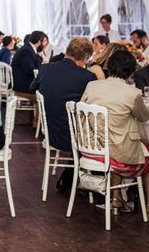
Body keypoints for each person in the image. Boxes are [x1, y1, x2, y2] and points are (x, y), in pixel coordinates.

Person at [81, 50, 149, 219]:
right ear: (131, 71)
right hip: (116, 154)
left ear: (109, 66)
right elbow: (145, 117)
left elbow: (81, 110)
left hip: (92, 149)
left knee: (117, 140)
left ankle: (116, 198)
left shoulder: (92, 85)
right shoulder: (132, 93)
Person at [30, 38, 96, 190]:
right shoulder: (87, 77)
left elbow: (33, 88)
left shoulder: (46, 69)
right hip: (73, 136)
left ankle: (70, 177)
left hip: (49, 130)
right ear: (85, 57)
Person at [11, 30, 46, 128]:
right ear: (39, 41)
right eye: (43, 42)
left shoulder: (28, 49)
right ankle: (38, 124)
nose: (43, 44)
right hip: (23, 87)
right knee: (44, 95)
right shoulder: (27, 51)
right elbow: (30, 69)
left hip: (21, 84)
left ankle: (38, 122)